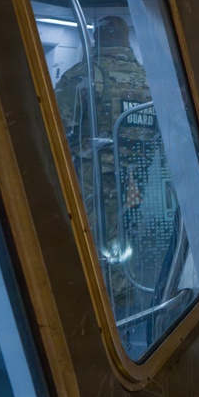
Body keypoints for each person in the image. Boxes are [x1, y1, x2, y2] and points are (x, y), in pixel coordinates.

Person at [55, 15, 157, 300]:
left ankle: (106, 308)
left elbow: (54, 129)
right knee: (125, 239)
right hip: (139, 178)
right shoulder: (149, 79)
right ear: (126, 41)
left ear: (96, 39)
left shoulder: (84, 75)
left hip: (96, 179)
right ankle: (125, 304)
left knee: (94, 243)